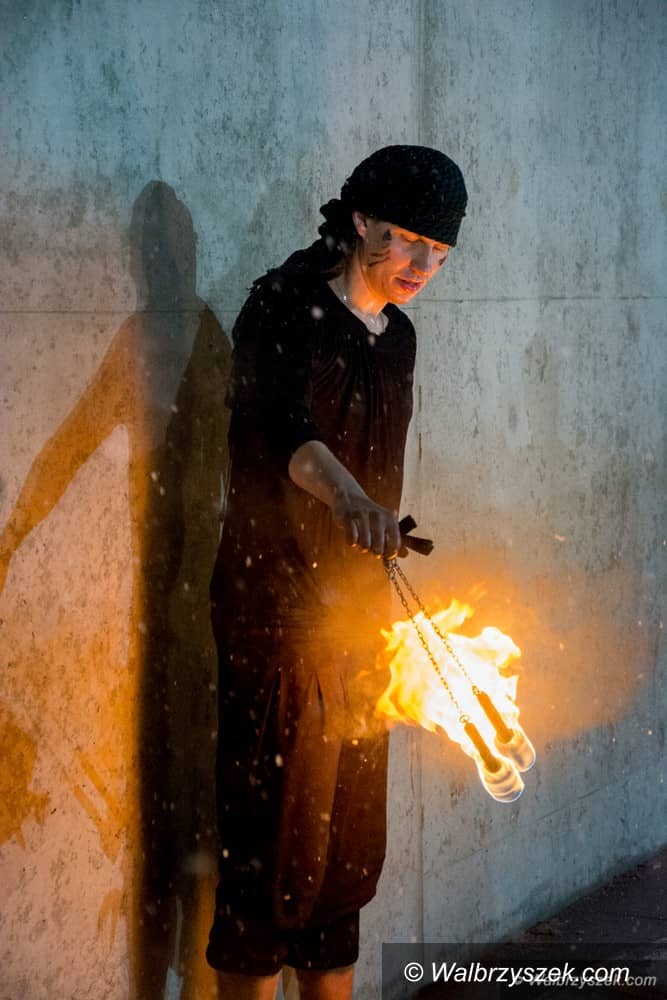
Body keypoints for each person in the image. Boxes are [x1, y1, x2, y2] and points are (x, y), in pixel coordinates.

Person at [206, 145, 467, 999]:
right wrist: (349, 497)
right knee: (272, 849)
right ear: (361, 221)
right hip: (277, 607)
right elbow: (282, 427)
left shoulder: (399, 338)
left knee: (347, 853)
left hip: (359, 613)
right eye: (409, 241)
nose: (422, 266)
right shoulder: (283, 306)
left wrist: (371, 521)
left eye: (440, 251)